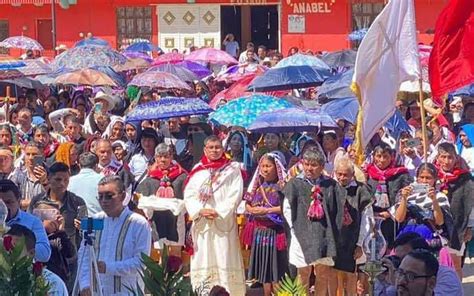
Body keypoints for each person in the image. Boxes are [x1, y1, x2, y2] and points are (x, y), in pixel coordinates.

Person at [183, 135, 246, 295]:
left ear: (223, 149)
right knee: (204, 256)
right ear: (205, 150)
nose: (214, 150)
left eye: (217, 147)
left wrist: (219, 212)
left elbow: (236, 194)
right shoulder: (198, 170)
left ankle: (228, 291)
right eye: (210, 147)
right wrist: (200, 210)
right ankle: (203, 291)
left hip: (223, 221)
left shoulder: (232, 169)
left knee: (224, 254)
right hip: (203, 222)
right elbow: (189, 194)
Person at [78, 175, 152, 296]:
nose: (104, 201)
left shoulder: (139, 223)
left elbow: (141, 262)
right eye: (100, 196)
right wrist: (85, 284)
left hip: (126, 291)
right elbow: (84, 254)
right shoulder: (94, 220)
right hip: (96, 291)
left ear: (122, 196)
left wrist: (108, 267)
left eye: (109, 196)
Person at [282, 148, 338, 295]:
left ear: (322, 166)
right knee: (303, 273)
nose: (309, 168)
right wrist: (295, 228)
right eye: (306, 164)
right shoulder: (294, 183)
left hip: (324, 234)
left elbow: (335, 209)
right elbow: (287, 208)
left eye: (313, 165)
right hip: (301, 233)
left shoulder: (330, 184)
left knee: (322, 273)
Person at [242, 153, 288, 296]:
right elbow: (247, 205)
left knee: (276, 269)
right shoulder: (257, 185)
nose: (265, 169)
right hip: (260, 233)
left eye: (268, 166)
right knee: (264, 270)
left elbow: (287, 207)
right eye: (263, 166)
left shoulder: (283, 187)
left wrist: (266, 210)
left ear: (277, 168)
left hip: (275, 232)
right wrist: (252, 210)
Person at [136, 143, 187, 257]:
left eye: (166, 156)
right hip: (157, 220)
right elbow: (140, 197)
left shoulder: (181, 176)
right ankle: (161, 275)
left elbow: (188, 196)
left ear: (171, 157)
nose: (162, 160)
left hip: (176, 219)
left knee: (175, 254)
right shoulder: (150, 178)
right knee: (160, 254)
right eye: (159, 157)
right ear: (155, 158)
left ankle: (175, 274)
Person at [333, 158, 372, 296]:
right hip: (334, 240)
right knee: (333, 276)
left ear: (352, 174)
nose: (342, 178)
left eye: (346, 175)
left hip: (352, 240)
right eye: (339, 174)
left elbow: (367, 220)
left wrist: (360, 244)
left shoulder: (361, 191)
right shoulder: (330, 188)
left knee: (351, 275)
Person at [435, 142, 473, 278]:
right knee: (436, 263)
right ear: (437, 158)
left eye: (450, 157)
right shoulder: (433, 176)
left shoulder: (465, 178)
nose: (446, 161)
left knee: (455, 264)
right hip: (436, 227)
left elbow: (471, 204)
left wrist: (470, 227)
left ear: (456, 158)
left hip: (457, 226)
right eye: (443, 157)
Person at [29, 162, 86, 248]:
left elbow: (92, 226)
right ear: (49, 178)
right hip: (43, 252)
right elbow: (27, 225)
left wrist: (84, 225)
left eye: (66, 180)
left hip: (69, 255)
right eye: (58, 179)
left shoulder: (77, 201)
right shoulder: (37, 201)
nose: (62, 183)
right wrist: (42, 225)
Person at [366, 142, 413, 248]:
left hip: (392, 220)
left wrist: (390, 213)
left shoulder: (401, 175)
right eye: (379, 156)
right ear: (373, 157)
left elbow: (405, 198)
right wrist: (371, 213)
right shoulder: (367, 174)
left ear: (391, 157)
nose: (382, 160)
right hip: (371, 218)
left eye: (385, 157)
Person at [394, 163, 450, 248]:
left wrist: (434, 200)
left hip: (427, 236)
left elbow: (440, 222)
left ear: (435, 179)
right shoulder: (409, 195)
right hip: (407, 234)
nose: (424, 181)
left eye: (428, 178)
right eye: (421, 177)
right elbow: (399, 218)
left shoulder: (440, 196)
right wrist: (404, 198)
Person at [5, 224, 68, 295]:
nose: (6, 253)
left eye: (14, 249)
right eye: (2, 249)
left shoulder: (52, 283)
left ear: (31, 253)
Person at [0, 179, 51, 262]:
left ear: (18, 201)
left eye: (9, 202)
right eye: (0, 204)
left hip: (21, 272)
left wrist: (19, 246)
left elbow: (45, 253)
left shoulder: (33, 221)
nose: (4, 207)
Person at [31, 201, 76, 289]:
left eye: (59, 216)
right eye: (52, 215)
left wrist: (62, 233)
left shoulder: (58, 237)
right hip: (42, 280)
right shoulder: (34, 237)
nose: (57, 220)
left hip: (60, 280)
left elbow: (70, 253)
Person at [9, 142, 48, 209]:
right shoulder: (17, 174)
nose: (31, 158)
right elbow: (11, 201)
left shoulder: (52, 174)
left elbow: (55, 199)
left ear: (42, 156)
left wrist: (44, 182)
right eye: (28, 154)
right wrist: (35, 202)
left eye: (34, 154)